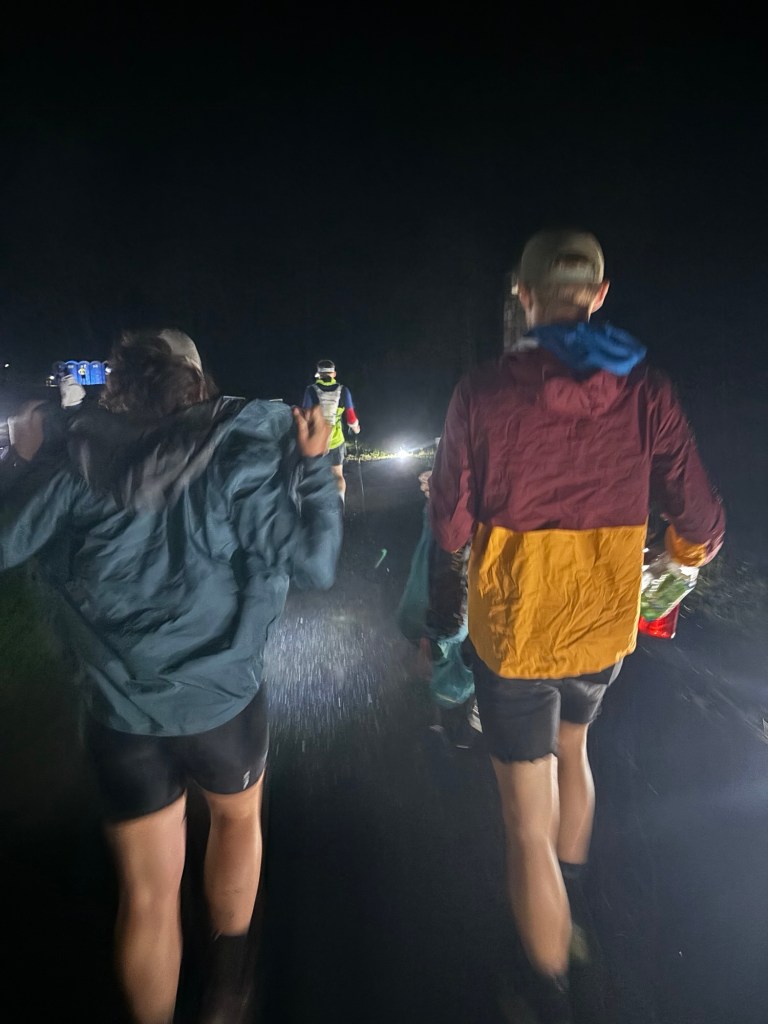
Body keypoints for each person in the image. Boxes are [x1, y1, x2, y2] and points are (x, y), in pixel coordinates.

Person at [0, 328, 343, 1024]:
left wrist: (21, 459)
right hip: (224, 705)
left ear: (119, 387)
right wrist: (312, 470)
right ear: (196, 383)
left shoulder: (75, 462)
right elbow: (314, 563)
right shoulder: (235, 456)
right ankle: (227, 995)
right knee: (237, 820)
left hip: (122, 717)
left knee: (148, 896)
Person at [426, 228, 725, 1022]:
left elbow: (449, 526)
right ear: (598, 295)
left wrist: (444, 597)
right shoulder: (648, 390)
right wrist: (674, 561)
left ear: (523, 297)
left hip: (516, 634)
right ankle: (573, 900)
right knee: (575, 748)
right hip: (602, 627)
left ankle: (547, 990)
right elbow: (701, 523)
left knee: (526, 825)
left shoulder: (482, 392)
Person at [301, 358, 360, 498]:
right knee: (337, 474)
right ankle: (339, 503)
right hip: (336, 440)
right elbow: (351, 419)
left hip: (316, 440)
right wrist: (356, 428)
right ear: (334, 374)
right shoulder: (343, 390)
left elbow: (305, 417)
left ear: (319, 375)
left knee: (315, 475)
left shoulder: (310, 390)